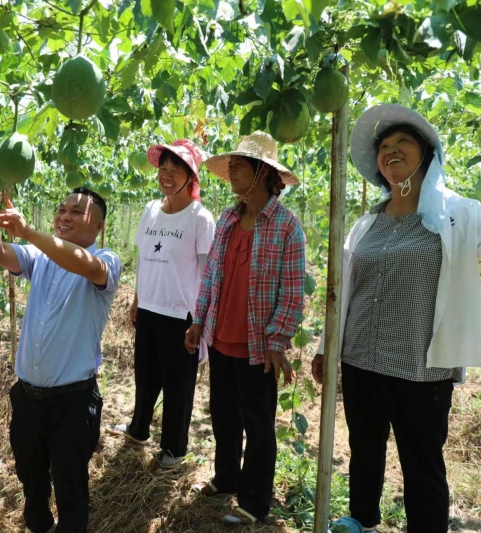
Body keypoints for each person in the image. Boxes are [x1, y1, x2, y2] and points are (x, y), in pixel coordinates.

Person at [312, 104, 481, 533]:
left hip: (421, 368)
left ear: (426, 152)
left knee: (421, 460)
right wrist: (324, 346)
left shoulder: (461, 216)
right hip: (361, 359)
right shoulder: (366, 224)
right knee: (364, 449)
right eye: (384, 146)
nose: (391, 150)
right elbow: (343, 288)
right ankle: (362, 520)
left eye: (402, 142)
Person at [0, 174, 122, 533]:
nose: (64, 216)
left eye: (76, 212)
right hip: (28, 398)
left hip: (72, 400)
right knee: (31, 479)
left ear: (98, 226)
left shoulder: (106, 259)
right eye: (61, 210)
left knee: (71, 486)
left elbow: (87, 267)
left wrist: (29, 232)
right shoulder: (39, 257)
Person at [185, 132, 306, 525]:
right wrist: (199, 321)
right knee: (222, 413)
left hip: (257, 344)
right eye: (232, 164)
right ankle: (226, 478)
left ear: (264, 173)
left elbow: (291, 292)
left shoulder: (287, 226)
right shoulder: (228, 218)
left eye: (240, 164)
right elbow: (212, 277)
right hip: (221, 336)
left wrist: (277, 341)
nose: (231, 170)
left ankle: (254, 502)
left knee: (257, 423)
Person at [106, 139, 215, 468]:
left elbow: (208, 273)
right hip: (151, 308)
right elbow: (143, 258)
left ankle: (174, 448)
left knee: (178, 385)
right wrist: (137, 300)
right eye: (163, 168)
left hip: (181, 314)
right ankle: (139, 429)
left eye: (175, 169)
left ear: (190, 176)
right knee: (146, 374)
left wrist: (200, 319)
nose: (166, 175)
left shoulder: (199, 218)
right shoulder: (151, 210)